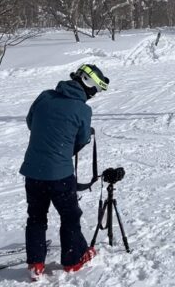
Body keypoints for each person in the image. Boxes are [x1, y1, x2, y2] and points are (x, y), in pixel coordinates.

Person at [20, 64, 110, 280]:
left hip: (32, 171)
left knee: (36, 217)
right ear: (87, 85)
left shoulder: (45, 97)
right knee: (70, 216)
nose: (93, 96)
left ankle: (36, 264)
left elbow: (31, 122)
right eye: (94, 91)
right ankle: (73, 260)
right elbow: (81, 141)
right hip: (59, 174)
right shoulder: (82, 110)